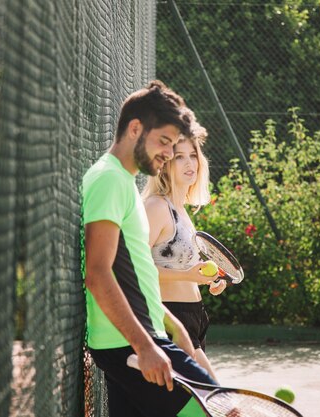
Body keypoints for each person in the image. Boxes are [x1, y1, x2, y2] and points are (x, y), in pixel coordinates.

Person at [82, 80, 216, 417]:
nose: (169, 154)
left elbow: (132, 271)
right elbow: (98, 273)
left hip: (138, 337)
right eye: (165, 142)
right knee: (215, 411)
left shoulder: (121, 180)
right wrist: (146, 346)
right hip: (132, 342)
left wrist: (172, 323)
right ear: (135, 128)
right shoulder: (110, 179)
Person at [142, 119, 226, 382]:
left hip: (195, 319)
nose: (190, 163)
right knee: (219, 401)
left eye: (193, 155)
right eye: (180, 157)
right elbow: (136, 272)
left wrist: (206, 279)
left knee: (200, 404)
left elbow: (180, 268)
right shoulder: (156, 207)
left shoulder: (182, 211)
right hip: (171, 320)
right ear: (165, 164)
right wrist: (188, 276)